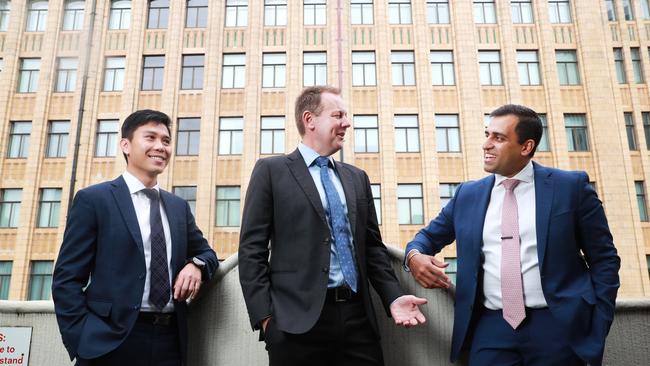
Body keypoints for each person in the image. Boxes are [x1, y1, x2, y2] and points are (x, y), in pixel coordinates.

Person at [405, 104, 620, 366]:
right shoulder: (467, 195)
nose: (486, 144)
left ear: (526, 147)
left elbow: (604, 258)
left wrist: (598, 322)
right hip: (491, 329)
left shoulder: (570, 188)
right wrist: (414, 257)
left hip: (558, 326)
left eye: (498, 137)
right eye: (487, 135)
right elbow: (426, 239)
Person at [239, 86, 427, 366]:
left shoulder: (356, 178)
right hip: (295, 326)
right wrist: (266, 321)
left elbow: (372, 248)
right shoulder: (271, 171)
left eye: (346, 116)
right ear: (309, 119)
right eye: (338, 115)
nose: (347, 123)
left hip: (357, 320)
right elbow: (251, 250)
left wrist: (393, 297)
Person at [52, 109, 219, 366]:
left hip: (169, 341)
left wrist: (195, 265)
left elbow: (208, 254)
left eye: (165, 140)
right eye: (150, 138)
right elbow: (67, 278)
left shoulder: (178, 207)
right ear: (126, 145)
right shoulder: (94, 200)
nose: (160, 147)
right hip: (109, 342)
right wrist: (83, 338)